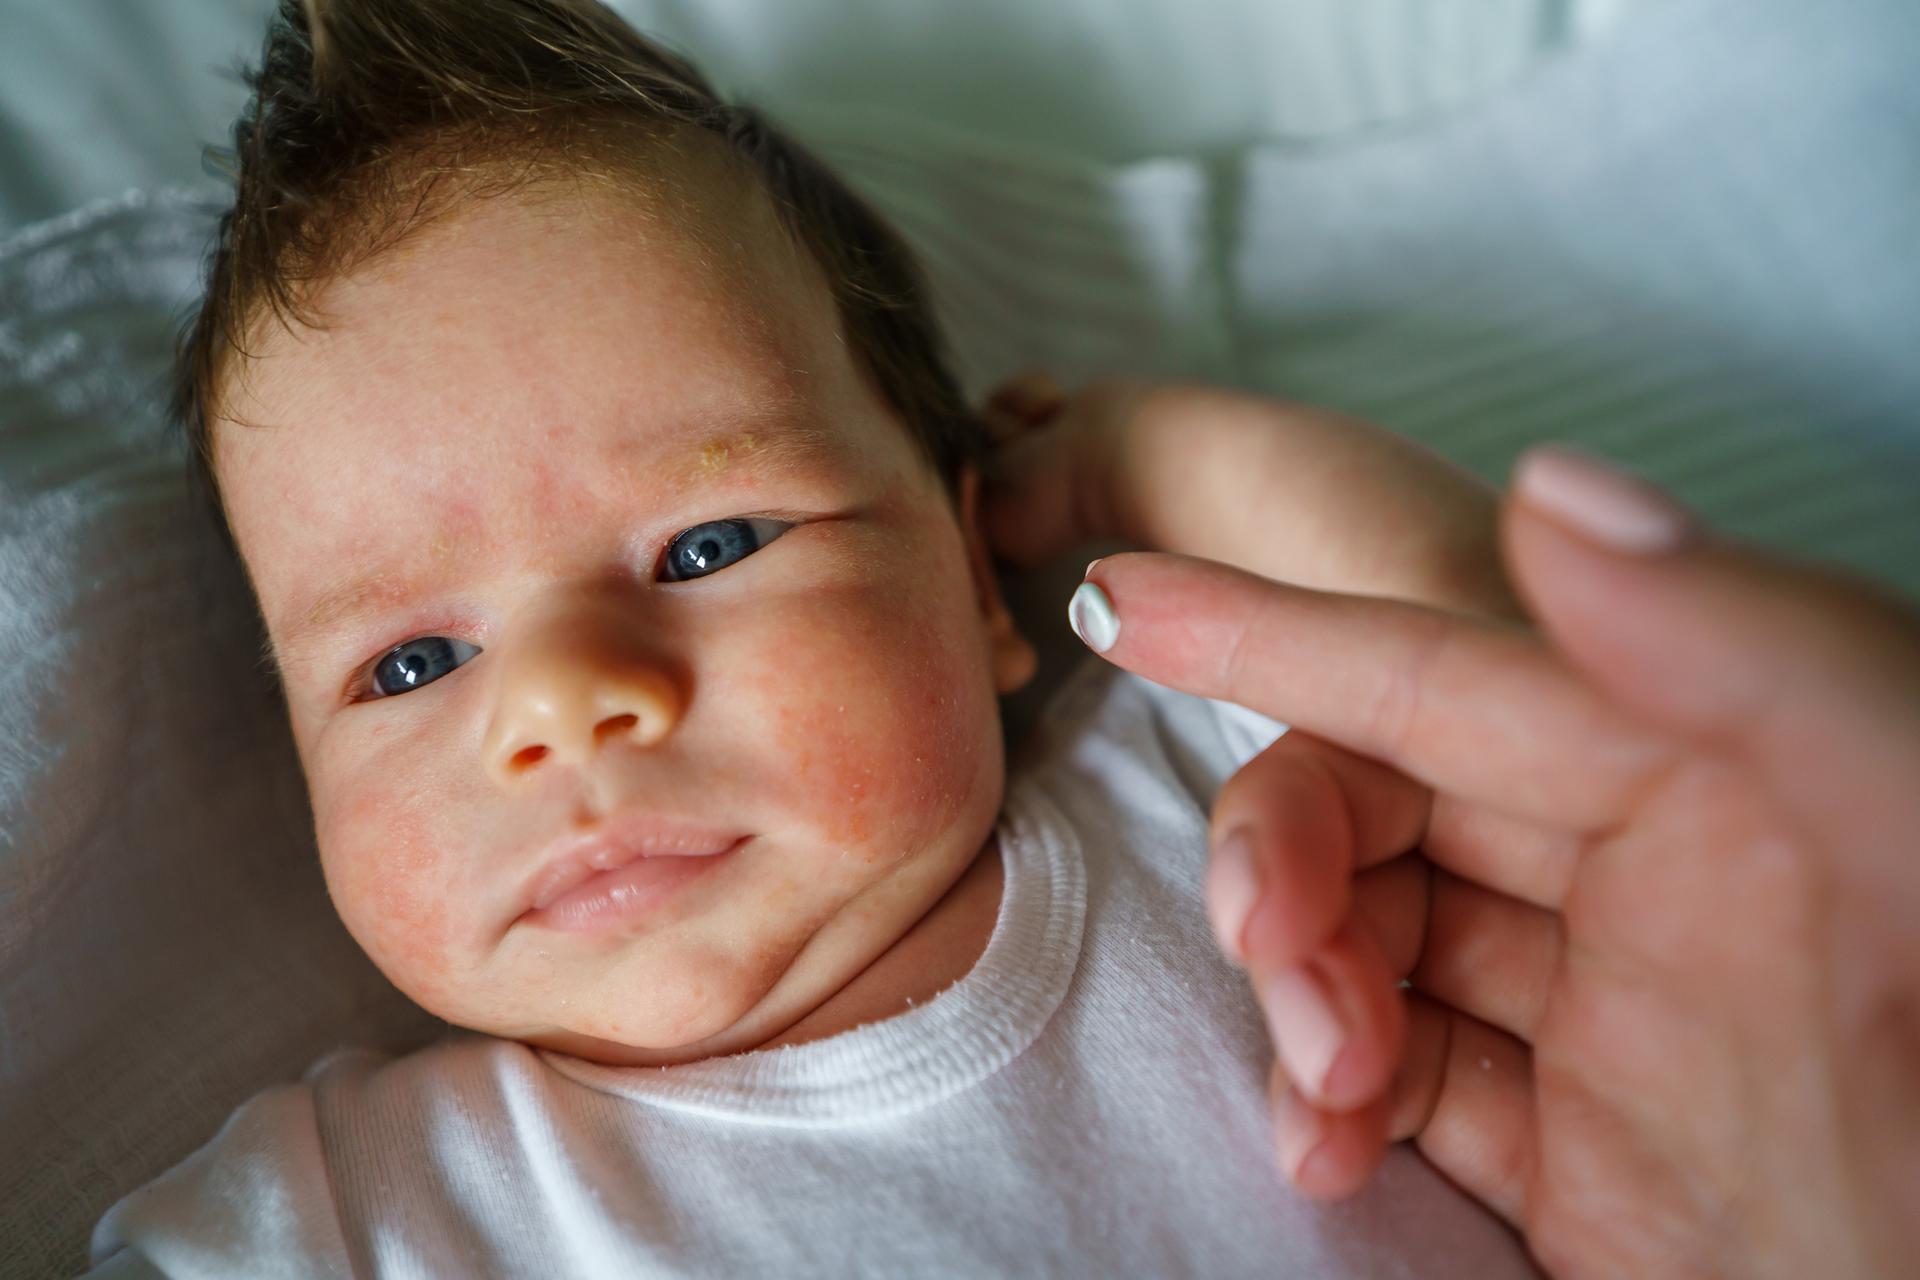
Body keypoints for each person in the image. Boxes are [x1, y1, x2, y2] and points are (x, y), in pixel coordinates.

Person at [89, 1, 1538, 1276]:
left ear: (975, 583)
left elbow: (1471, 655)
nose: (566, 704)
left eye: (707, 547)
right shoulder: (366, 1213)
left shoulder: (1205, 807)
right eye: (410, 663)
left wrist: (1123, 463)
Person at [1001, 418, 1920, 1278]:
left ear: (969, 581)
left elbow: (1447, 659)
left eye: (846, 512)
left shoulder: (1146, 753)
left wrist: (1114, 454)